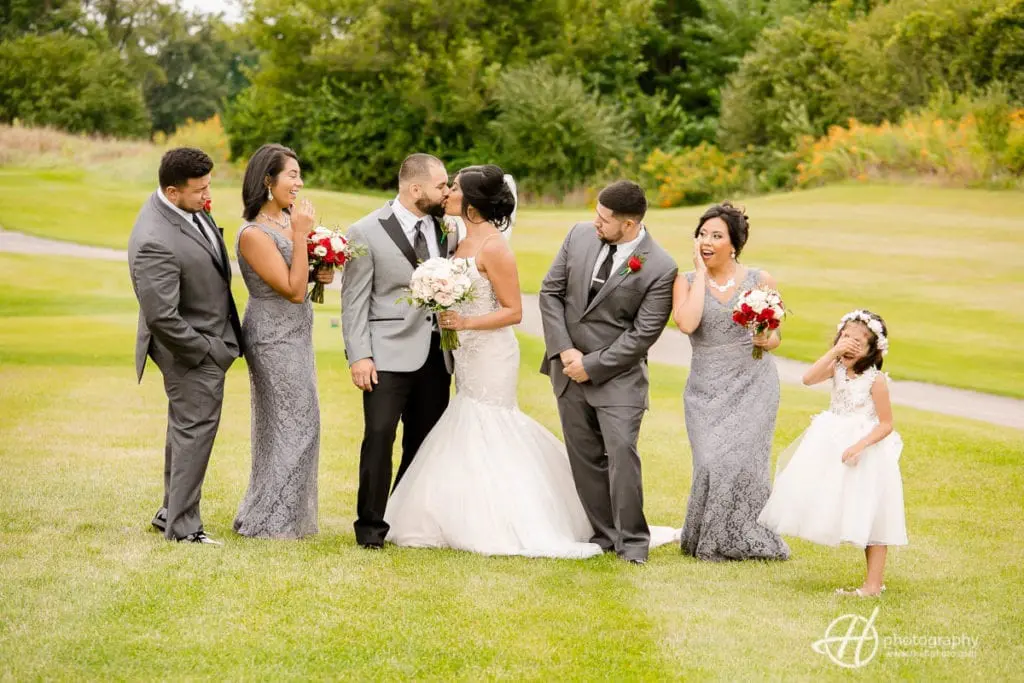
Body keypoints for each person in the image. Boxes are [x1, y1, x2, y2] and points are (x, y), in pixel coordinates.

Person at [384, 165, 616, 559]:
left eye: (454, 188)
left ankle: (505, 517)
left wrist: (465, 321)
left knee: (488, 420)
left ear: (471, 203)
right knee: (464, 418)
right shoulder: (455, 237)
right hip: (464, 351)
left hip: (492, 352)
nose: (448, 193)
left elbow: (513, 311)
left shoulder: (495, 247)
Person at [538, 180, 679, 565]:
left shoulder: (661, 266)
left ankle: (633, 542)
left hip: (619, 378)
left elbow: (643, 335)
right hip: (567, 368)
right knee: (583, 456)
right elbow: (550, 292)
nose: (594, 222)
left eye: (603, 218)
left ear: (630, 225)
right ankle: (604, 534)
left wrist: (593, 364)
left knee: (621, 453)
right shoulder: (578, 235)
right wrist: (566, 351)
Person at [341, 153, 456, 549]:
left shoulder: (446, 230)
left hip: (435, 354)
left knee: (423, 442)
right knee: (378, 436)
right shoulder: (365, 231)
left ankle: (404, 518)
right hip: (385, 355)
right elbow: (354, 300)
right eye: (442, 185)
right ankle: (370, 528)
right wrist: (359, 355)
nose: (447, 191)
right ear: (415, 189)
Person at [127, 147, 241, 545]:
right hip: (189, 351)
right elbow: (161, 316)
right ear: (172, 192)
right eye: (200, 190)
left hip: (205, 339)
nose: (207, 196)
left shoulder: (185, 207)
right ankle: (184, 529)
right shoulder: (154, 239)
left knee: (185, 432)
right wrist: (206, 351)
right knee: (195, 434)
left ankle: (168, 512)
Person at [672, 202, 789, 561]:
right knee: (710, 461)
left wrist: (765, 339)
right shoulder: (686, 281)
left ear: (733, 244)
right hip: (706, 388)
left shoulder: (760, 280)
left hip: (754, 384)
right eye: (702, 234)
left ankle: (745, 537)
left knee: (746, 465)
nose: (706, 241)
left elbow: (776, 337)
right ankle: (706, 536)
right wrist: (699, 274)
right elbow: (688, 324)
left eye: (716, 235)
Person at [759, 310, 907, 596]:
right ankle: (871, 583)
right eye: (845, 337)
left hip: (865, 450)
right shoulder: (837, 368)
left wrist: (860, 445)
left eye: (858, 342)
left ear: (872, 349)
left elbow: (887, 424)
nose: (849, 344)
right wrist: (834, 352)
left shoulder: (876, 380)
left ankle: (873, 585)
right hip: (830, 442)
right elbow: (808, 378)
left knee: (872, 512)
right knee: (832, 500)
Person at [233, 143, 331, 539]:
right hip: (272, 336)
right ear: (267, 180)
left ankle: (288, 516)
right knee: (295, 423)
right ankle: (270, 521)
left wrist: (319, 272)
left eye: (298, 174)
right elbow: (290, 289)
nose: (299, 182)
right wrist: (302, 235)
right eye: (291, 175)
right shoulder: (254, 233)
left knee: (298, 423)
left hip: (296, 332)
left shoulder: (286, 222)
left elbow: (299, 278)